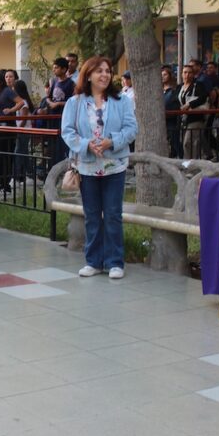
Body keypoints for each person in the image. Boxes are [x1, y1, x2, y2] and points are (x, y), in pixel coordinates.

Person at [61, 56, 137, 279]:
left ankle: (115, 262)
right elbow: (67, 131)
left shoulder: (121, 101)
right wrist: (87, 145)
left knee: (113, 214)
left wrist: (111, 141)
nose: (104, 75)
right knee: (92, 215)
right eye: (99, 71)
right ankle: (93, 261)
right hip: (87, 167)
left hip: (115, 166)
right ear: (88, 75)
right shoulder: (74, 103)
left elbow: (131, 128)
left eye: (107, 71)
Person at [46, 57, 77, 165]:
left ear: (64, 69)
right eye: (53, 68)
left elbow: (74, 101)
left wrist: (58, 104)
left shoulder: (71, 83)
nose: (54, 70)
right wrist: (51, 103)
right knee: (53, 143)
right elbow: (48, 97)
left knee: (62, 142)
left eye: (56, 68)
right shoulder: (54, 82)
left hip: (64, 117)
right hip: (52, 117)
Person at [178, 63, 209, 160]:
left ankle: (191, 164)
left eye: (189, 73)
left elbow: (203, 97)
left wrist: (189, 104)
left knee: (189, 142)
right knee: (185, 143)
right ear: (181, 74)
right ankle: (187, 162)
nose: (187, 75)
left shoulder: (198, 85)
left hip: (196, 118)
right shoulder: (180, 87)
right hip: (183, 119)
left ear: (193, 74)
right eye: (185, 72)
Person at [11, 78, 35, 181]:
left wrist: (18, 130)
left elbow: (23, 120)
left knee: (19, 152)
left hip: (23, 131)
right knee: (23, 153)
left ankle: (17, 176)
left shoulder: (23, 103)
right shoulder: (21, 102)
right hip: (22, 130)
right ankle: (29, 174)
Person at [161, 65, 183, 158]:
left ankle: (181, 158)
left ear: (170, 75)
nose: (162, 77)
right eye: (161, 75)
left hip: (172, 119)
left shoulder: (176, 89)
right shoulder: (159, 89)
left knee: (175, 140)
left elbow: (176, 103)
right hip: (162, 119)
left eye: (165, 74)